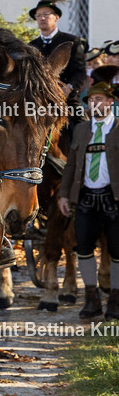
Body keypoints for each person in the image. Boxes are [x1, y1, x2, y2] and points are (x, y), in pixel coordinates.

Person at [59, 82, 119, 321]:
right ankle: (91, 298)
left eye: (100, 100)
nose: (95, 104)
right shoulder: (82, 130)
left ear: (110, 102)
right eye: (91, 101)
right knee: (83, 249)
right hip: (85, 198)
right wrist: (64, 194)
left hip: (114, 198)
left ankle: (115, 299)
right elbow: (71, 165)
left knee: (117, 252)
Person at [28, 0, 87, 129]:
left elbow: (80, 72)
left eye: (46, 14)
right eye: (39, 15)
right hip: (39, 100)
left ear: (56, 17)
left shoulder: (72, 41)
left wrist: (69, 88)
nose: (42, 18)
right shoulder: (30, 46)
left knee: (82, 127)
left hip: (66, 98)